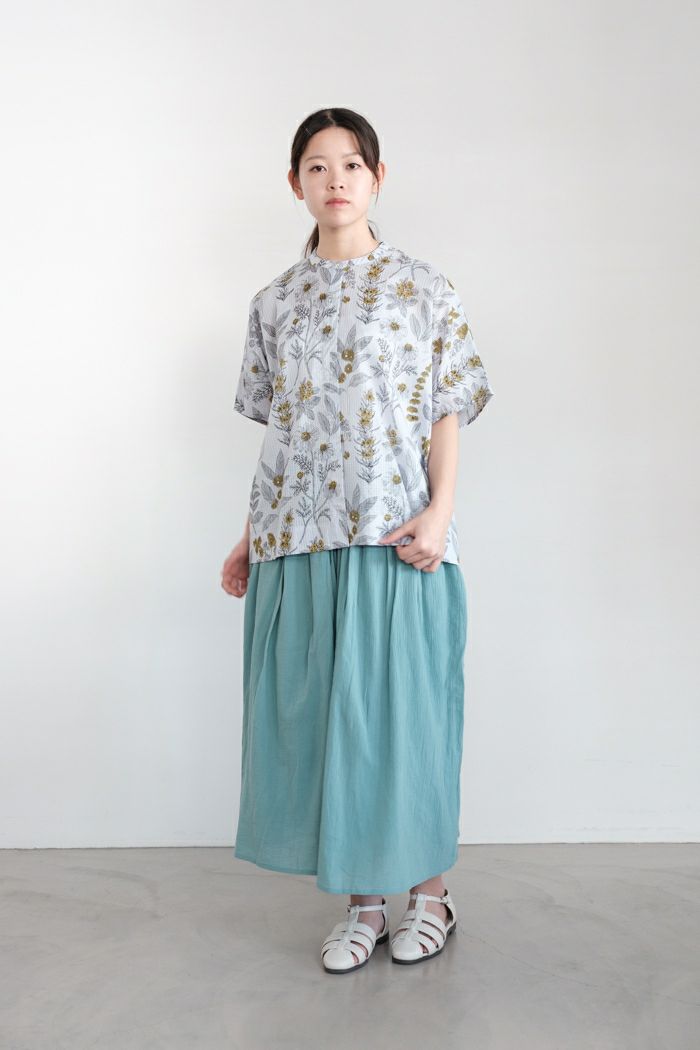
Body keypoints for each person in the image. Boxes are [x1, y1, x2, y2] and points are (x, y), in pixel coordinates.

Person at [221, 107, 494, 973]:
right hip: (299, 541)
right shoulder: (274, 303)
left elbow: (446, 408)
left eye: (350, 164)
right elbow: (286, 433)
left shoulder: (423, 287)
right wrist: (249, 536)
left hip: (397, 535)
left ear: (378, 178)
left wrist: (440, 512)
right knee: (334, 726)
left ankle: (431, 897)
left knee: (405, 718)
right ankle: (365, 903)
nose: (334, 179)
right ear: (294, 183)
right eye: (316, 165)